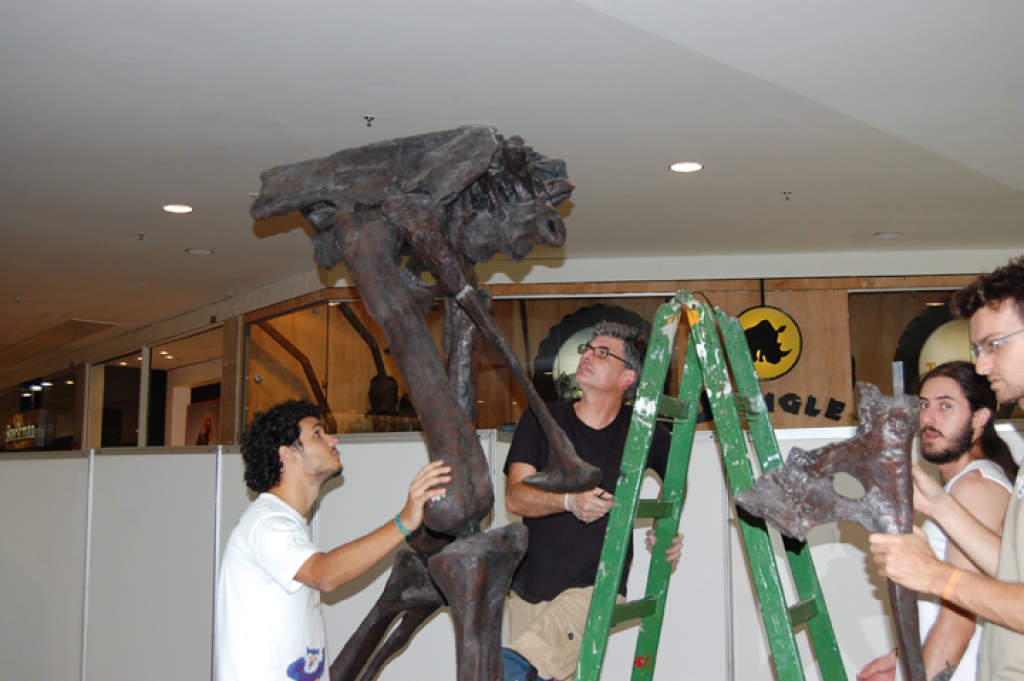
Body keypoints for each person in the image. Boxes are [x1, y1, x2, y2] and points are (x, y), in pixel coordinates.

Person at [214, 399, 450, 681]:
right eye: (317, 433)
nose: (332, 439)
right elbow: (325, 574)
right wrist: (403, 521)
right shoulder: (267, 524)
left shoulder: (284, 523)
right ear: (287, 454)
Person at [869, 256, 1024, 681]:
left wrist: (938, 577)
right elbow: (1010, 571)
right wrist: (939, 506)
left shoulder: (980, 482)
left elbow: (958, 620)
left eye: (995, 344)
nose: (984, 364)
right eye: (979, 349)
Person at [501, 322, 683, 681]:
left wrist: (666, 528)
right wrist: (569, 502)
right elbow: (516, 496)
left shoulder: (644, 431)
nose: (588, 355)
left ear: (626, 377)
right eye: (588, 348)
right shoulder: (542, 419)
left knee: (508, 669)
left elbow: (676, 481)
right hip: (527, 591)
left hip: (597, 588)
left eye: (603, 353)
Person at [858, 361, 1015, 681]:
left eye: (946, 405)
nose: (928, 418)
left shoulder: (976, 486)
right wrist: (902, 659)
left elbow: (960, 622)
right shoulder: (962, 485)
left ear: (980, 418)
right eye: (924, 405)